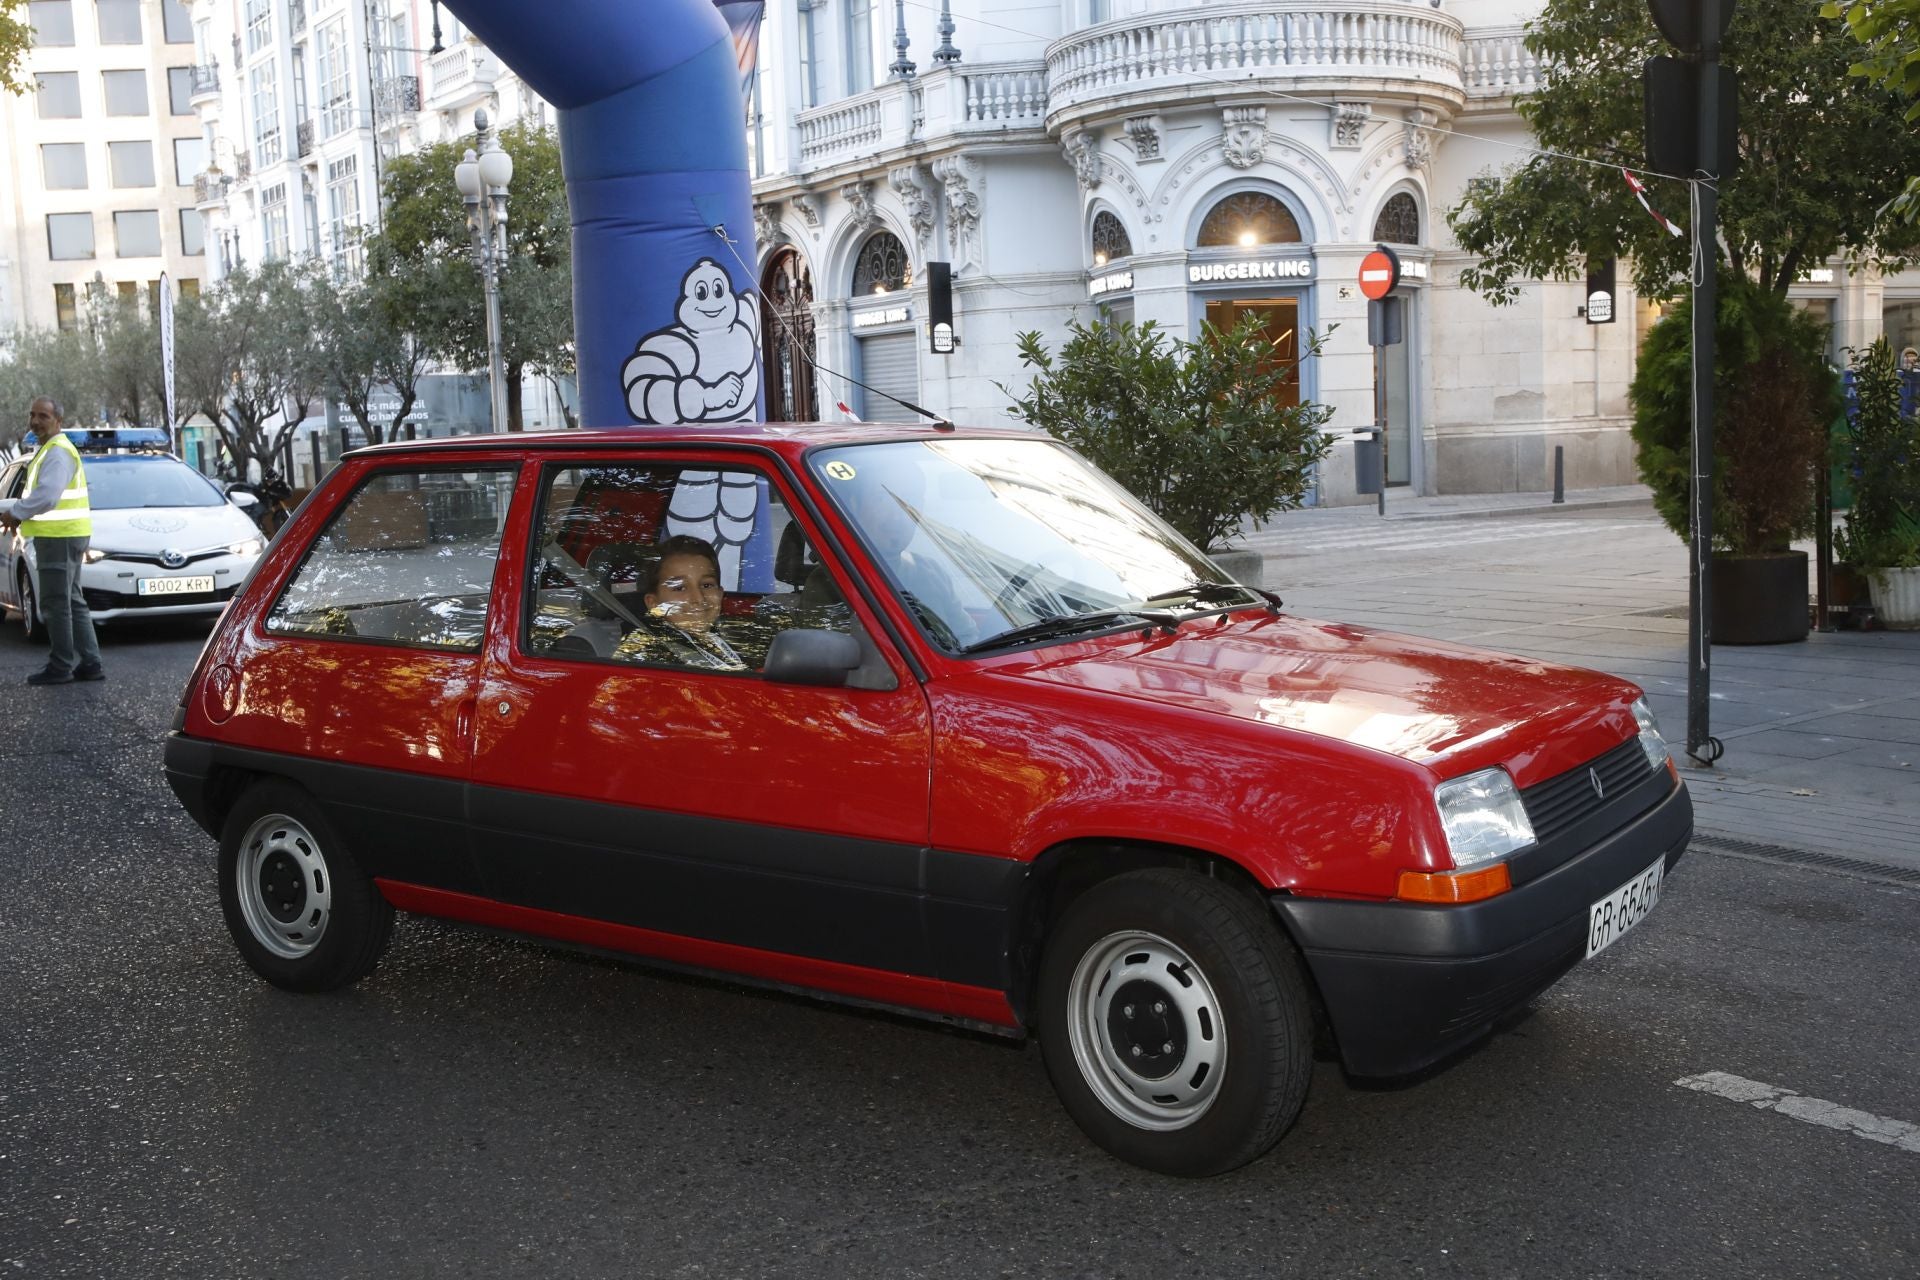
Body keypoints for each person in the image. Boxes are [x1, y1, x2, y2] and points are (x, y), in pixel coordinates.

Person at [1, 398, 104, 685]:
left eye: (43, 416)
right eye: (32, 415)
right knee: (72, 600)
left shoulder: (57, 452)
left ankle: (61, 666)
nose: (35, 421)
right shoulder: (50, 450)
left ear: (58, 420)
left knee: (56, 603)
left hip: (58, 538)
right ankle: (91, 662)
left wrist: (15, 513)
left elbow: (47, 496)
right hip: (66, 535)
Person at [613, 534, 749, 671]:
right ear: (653, 603)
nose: (699, 598)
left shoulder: (721, 637)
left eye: (707, 585)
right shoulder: (646, 655)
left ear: (720, 593)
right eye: (679, 588)